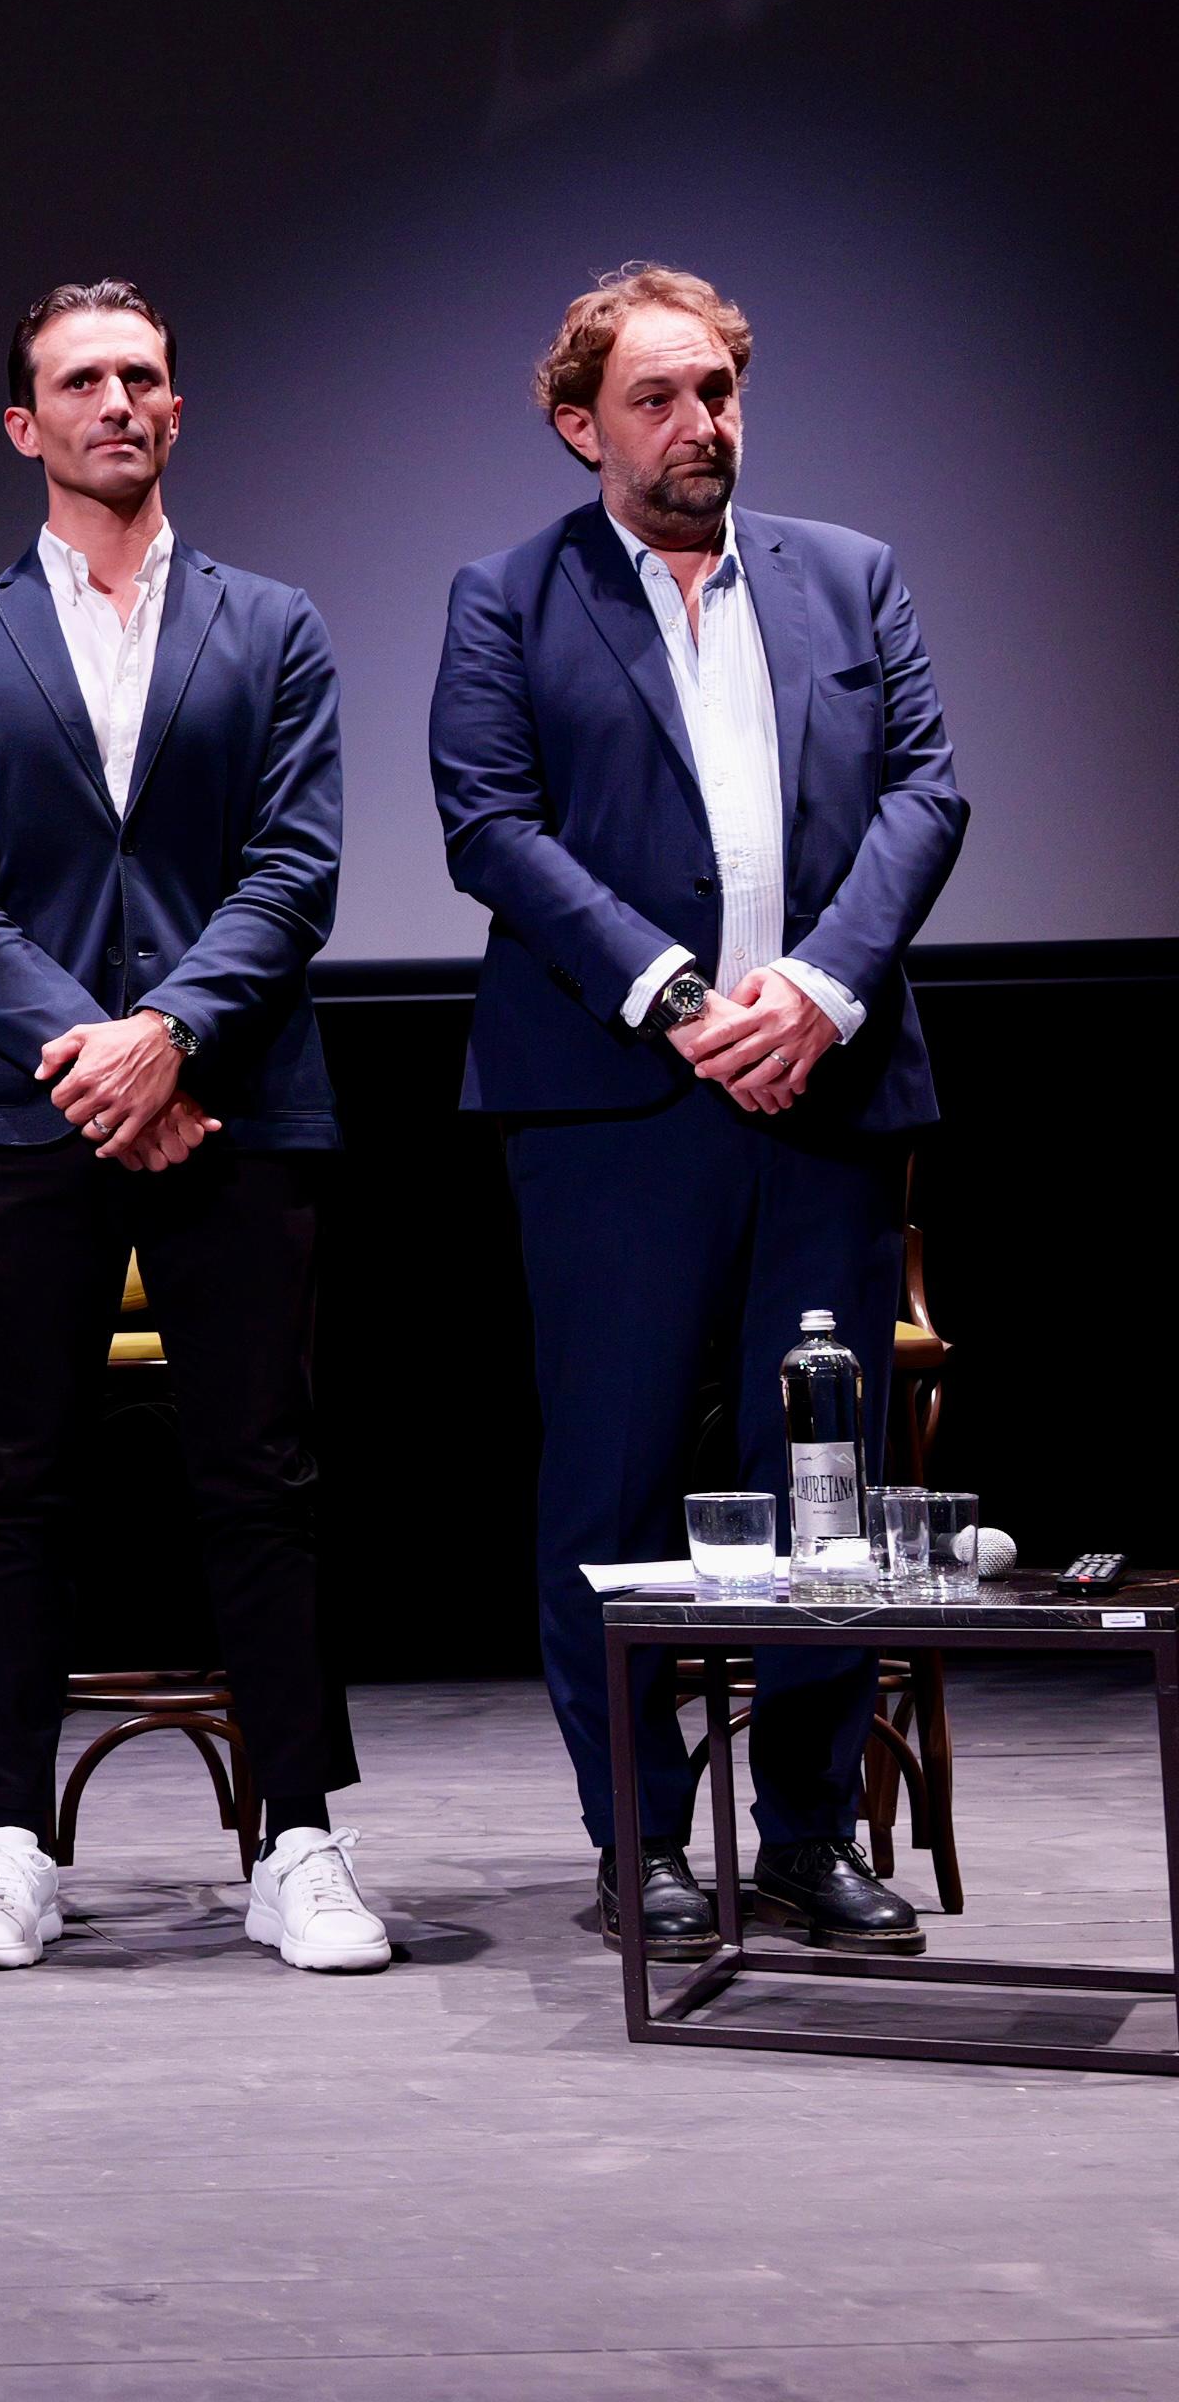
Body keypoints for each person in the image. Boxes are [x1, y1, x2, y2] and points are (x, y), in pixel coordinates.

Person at [432, 263, 964, 1962]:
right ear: (581, 423)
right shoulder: (508, 599)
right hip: (614, 1101)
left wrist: (814, 991)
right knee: (612, 1478)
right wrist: (674, 996)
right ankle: (643, 1840)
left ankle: (810, 1830)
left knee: (824, 1472)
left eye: (716, 391)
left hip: (821, 1082)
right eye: (654, 399)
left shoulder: (851, 578)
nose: (696, 426)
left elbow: (926, 794)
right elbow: (489, 824)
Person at [0, 282, 383, 1975]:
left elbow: (294, 871)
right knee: (18, 1482)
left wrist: (168, 1043)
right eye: (81, 381)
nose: (119, 401)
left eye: (145, 378)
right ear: (25, 427)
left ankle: (298, 1834)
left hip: (238, 1098)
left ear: (178, 412)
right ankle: (12, 1836)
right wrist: (94, 1065)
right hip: (21, 1121)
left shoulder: (277, 627)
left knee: (261, 1473)